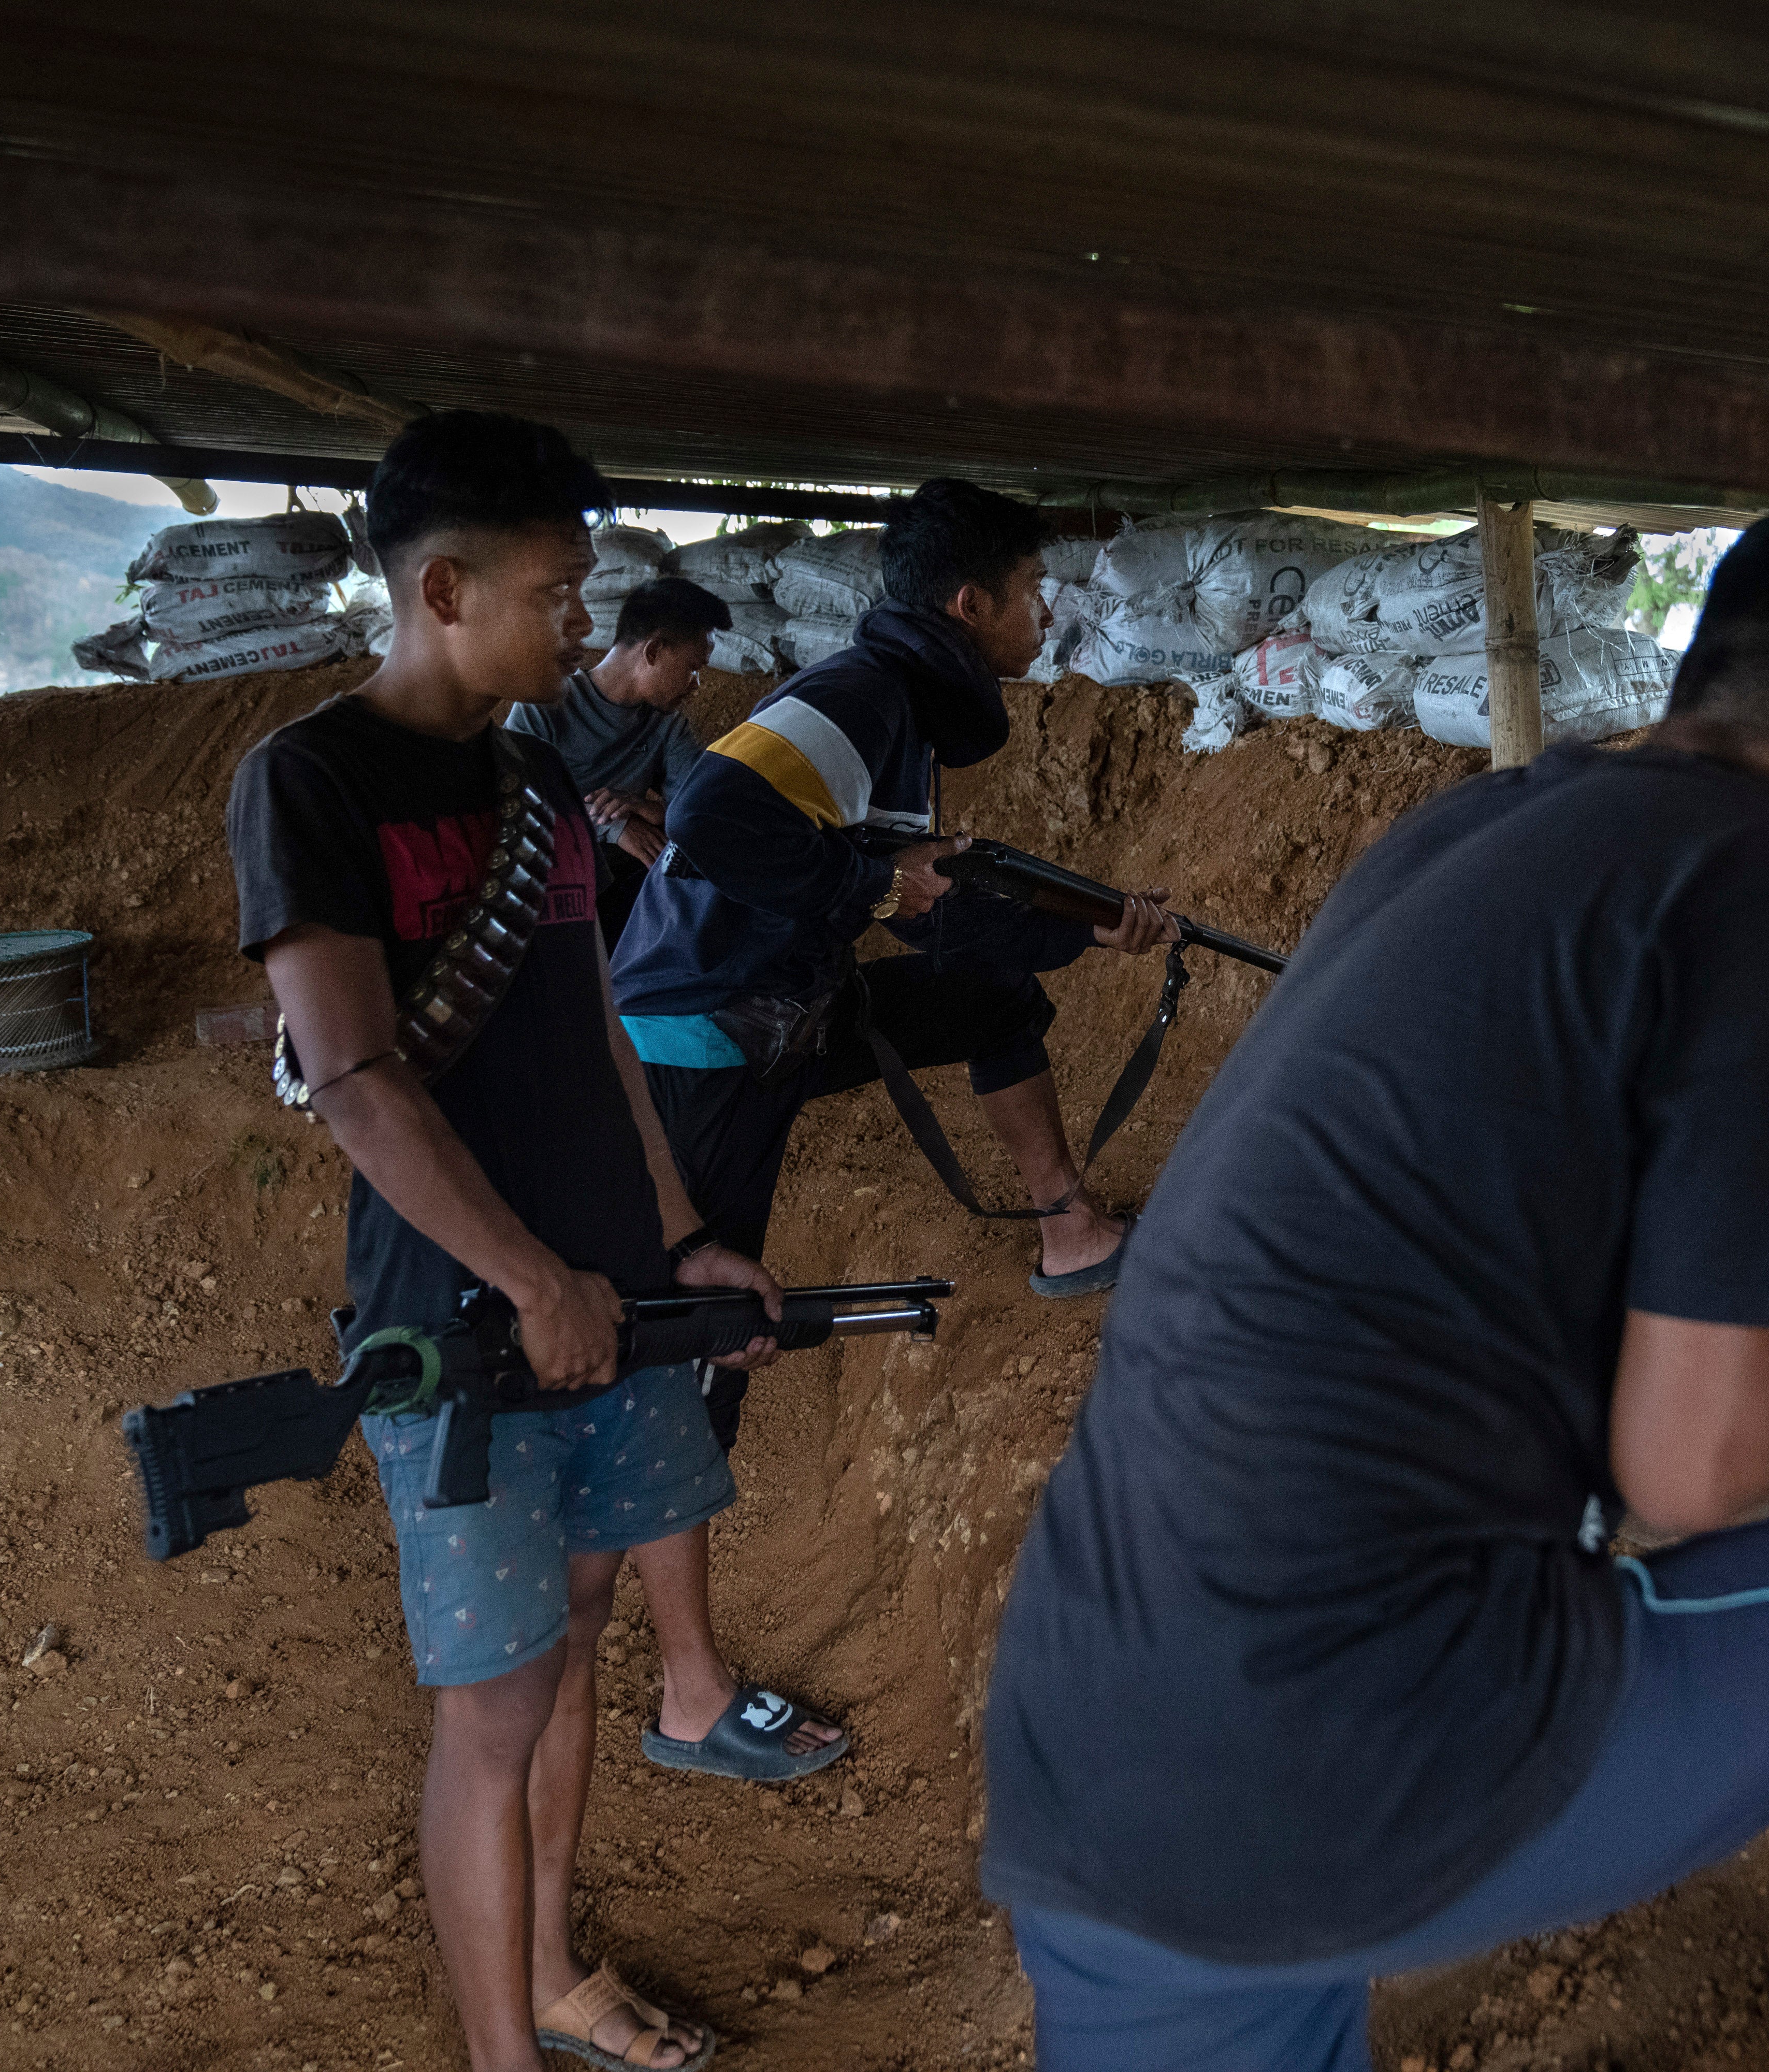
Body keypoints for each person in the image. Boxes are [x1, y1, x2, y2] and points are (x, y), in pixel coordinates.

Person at [979, 502, 1769, 2072]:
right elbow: (1694, 1467)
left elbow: (1575, 1106)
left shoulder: (1496, 825)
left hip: (1096, 1748)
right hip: (1361, 1758)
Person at [226, 411, 831, 2072]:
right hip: (471, 1328)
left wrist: (680, 1238)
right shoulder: (310, 780)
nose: (582, 624)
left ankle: (554, 1975)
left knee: (571, 1640)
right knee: (491, 1710)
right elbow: (352, 1079)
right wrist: (532, 1278)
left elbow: (599, 1035)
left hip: (606, 1301)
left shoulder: (536, 773)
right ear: (440, 587)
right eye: (558, 592)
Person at [610, 478, 1177, 1361]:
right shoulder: (861, 694)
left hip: (785, 1009)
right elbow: (708, 815)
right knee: (706, 1316)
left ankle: (1072, 1237)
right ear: (971, 603)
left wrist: (1082, 929)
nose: (1046, 613)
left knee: (995, 998)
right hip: (706, 1026)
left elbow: (923, 914)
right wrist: (871, 883)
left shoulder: (898, 704)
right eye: (1034, 591)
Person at [501, 574, 730, 942]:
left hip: (625, 878)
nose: (696, 685)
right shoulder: (545, 706)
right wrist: (612, 827)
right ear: (654, 651)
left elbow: (702, 811)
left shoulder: (667, 723)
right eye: (693, 668)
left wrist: (645, 809)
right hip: (551, 879)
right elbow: (511, 810)